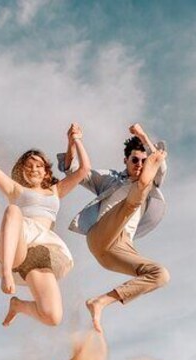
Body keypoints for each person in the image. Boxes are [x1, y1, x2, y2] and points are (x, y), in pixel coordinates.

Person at [0, 113, 91, 327]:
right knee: (13, 211)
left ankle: (18, 305)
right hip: (18, 247)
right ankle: (6, 273)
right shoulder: (16, 190)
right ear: (22, 171)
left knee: (52, 317)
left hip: (43, 251)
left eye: (38, 165)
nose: (34, 169)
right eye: (28, 166)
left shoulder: (55, 191)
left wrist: (74, 140)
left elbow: (84, 169)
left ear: (46, 171)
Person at [59, 123, 169, 333]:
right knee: (133, 201)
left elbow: (160, 165)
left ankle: (100, 302)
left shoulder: (153, 184)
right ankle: (140, 186)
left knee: (160, 274)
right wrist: (72, 141)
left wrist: (142, 135)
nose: (139, 164)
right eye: (134, 160)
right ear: (125, 161)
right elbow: (72, 170)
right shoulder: (110, 179)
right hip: (101, 234)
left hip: (119, 249)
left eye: (144, 162)